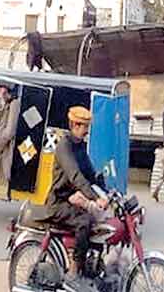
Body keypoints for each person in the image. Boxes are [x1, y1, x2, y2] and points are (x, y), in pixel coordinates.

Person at [42, 106, 108, 287]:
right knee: (84, 221)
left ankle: (91, 267)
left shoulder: (79, 146)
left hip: (71, 199)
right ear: (74, 124)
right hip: (58, 202)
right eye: (83, 126)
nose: (86, 131)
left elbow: (90, 174)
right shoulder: (64, 146)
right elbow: (75, 176)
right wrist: (95, 198)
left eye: (87, 126)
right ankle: (73, 272)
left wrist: (107, 192)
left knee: (101, 224)